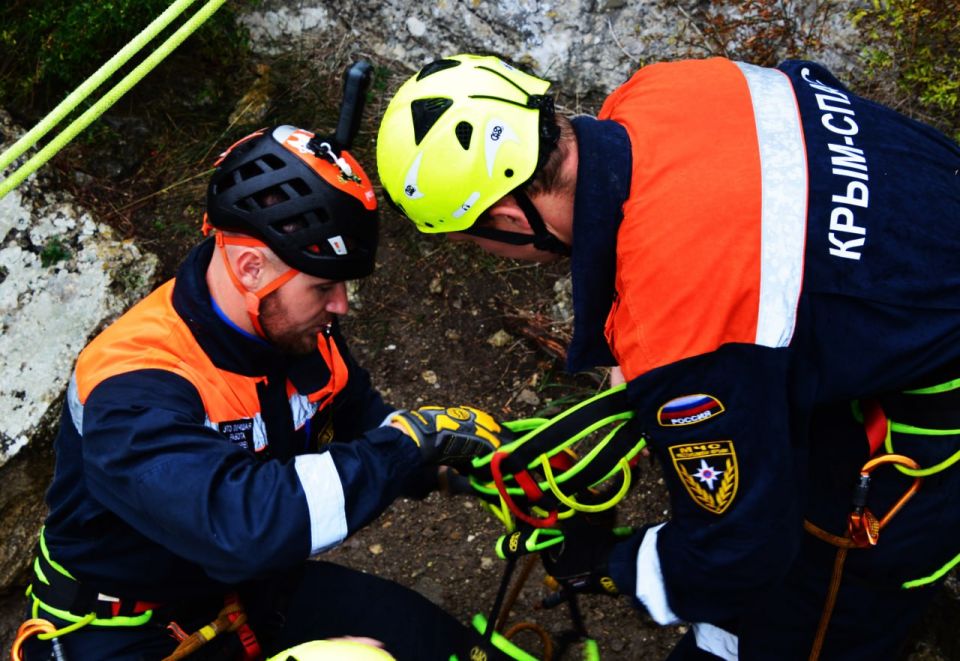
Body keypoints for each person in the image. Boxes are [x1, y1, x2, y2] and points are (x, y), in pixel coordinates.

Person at [375, 54, 960, 660]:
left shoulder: (679, 324)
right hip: (920, 257)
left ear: (506, 218)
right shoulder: (664, 87)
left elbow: (739, 547)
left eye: (477, 242)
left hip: (927, 409)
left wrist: (616, 564)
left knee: (819, 607)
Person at [19, 124, 514, 661]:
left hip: (240, 597)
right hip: (117, 634)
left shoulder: (294, 328)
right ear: (252, 267)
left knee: (450, 650)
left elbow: (356, 421)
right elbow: (240, 528)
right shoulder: (133, 386)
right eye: (324, 287)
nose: (342, 306)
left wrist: (465, 467)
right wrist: (406, 446)